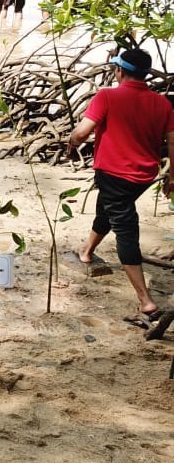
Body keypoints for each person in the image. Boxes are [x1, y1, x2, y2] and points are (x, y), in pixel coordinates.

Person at [67, 48, 174, 319]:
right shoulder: (162, 103)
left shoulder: (107, 96)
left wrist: (72, 141)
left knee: (125, 229)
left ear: (121, 71)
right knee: (108, 207)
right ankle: (87, 251)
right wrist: (172, 176)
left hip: (114, 174)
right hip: (143, 176)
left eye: (115, 69)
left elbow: (81, 132)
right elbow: (173, 141)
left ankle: (145, 300)